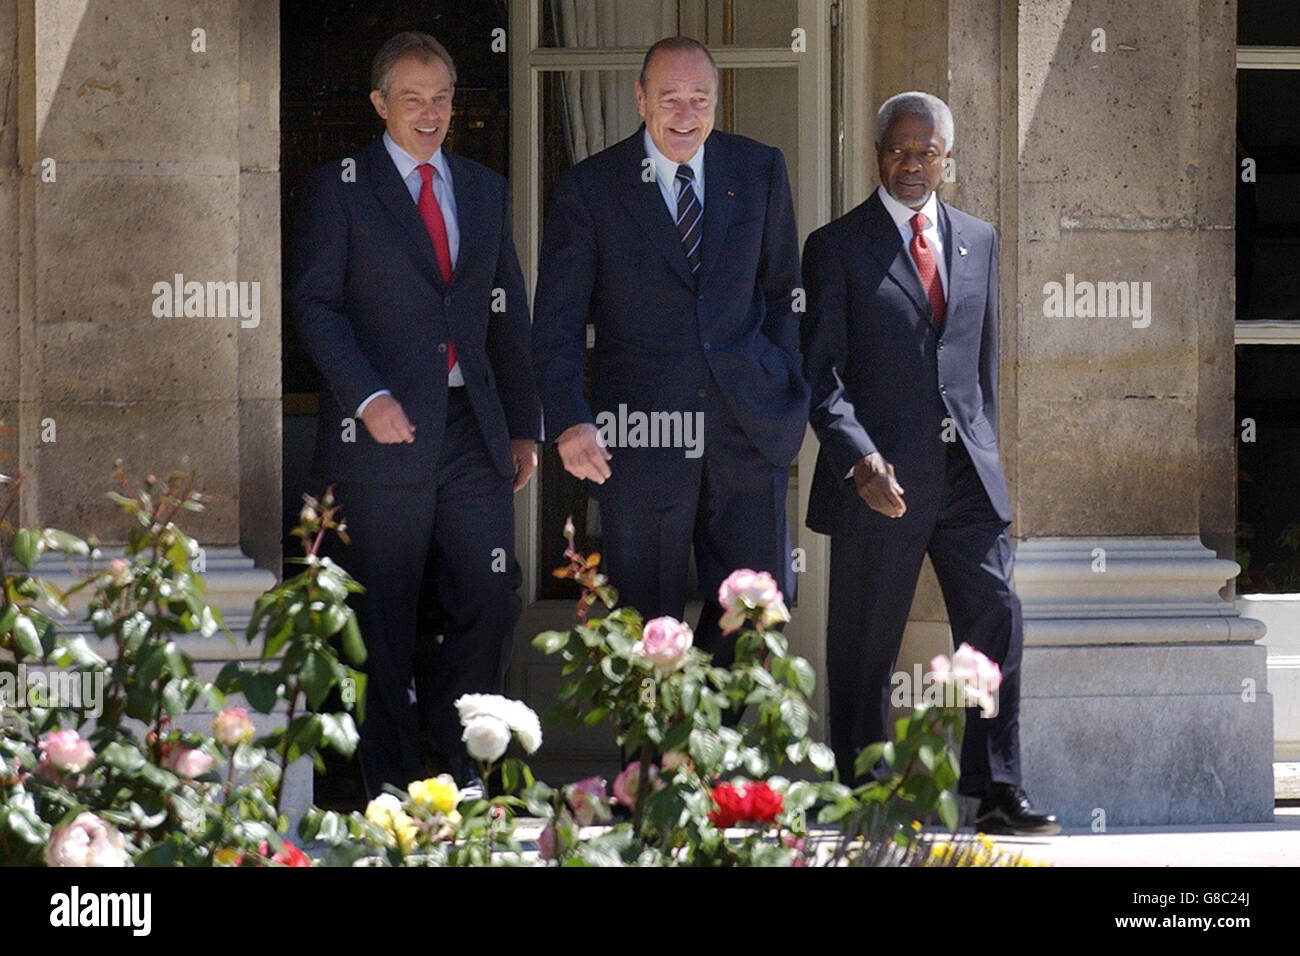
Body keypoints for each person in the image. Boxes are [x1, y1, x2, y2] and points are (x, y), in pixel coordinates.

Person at [801, 91, 1059, 835]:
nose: (911, 164)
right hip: (878, 480)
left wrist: (990, 462)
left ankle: (994, 792)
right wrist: (860, 461)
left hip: (966, 480)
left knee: (996, 617)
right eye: (897, 149)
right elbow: (821, 374)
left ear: (948, 158)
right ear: (877, 154)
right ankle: (866, 793)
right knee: (864, 640)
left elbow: (980, 371)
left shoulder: (980, 238)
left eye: (926, 151)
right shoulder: (836, 247)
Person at [292, 32, 541, 798]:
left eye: (441, 99)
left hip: (473, 427)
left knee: (489, 600)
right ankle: (389, 782)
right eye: (412, 99)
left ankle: (464, 764)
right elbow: (316, 304)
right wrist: (367, 398)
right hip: (382, 435)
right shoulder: (340, 185)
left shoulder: (484, 186)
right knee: (384, 614)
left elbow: (508, 314)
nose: (430, 114)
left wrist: (525, 422)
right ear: (379, 105)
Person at [531, 36, 807, 671]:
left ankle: (725, 766)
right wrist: (570, 418)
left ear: (717, 100)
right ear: (639, 99)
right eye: (670, 99)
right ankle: (652, 772)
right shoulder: (590, 189)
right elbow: (558, 322)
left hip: (747, 429)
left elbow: (782, 291)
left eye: (700, 99)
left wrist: (786, 388)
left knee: (755, 618)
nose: (686, 114)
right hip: (641, 438)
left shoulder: (759, 169)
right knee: (646, 627)